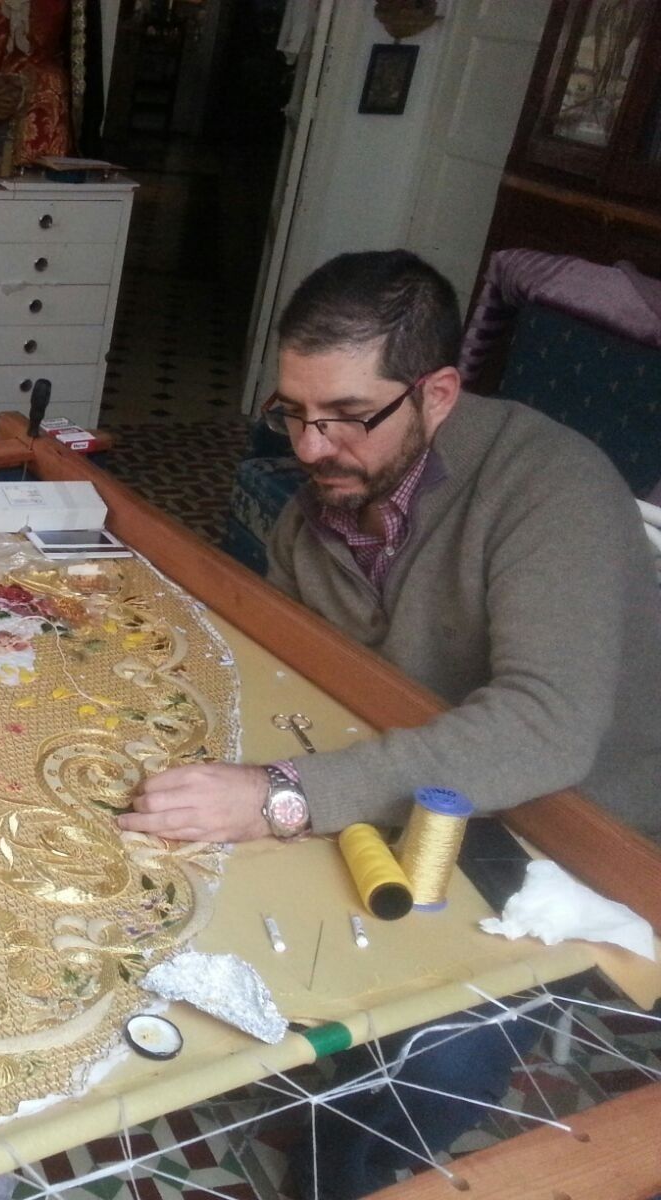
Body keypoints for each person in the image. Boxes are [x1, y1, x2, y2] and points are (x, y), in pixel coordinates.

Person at [116, 250, 661, 1198]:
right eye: (293, 412)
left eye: (347, 417)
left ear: (437, 392)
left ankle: (342, 1170)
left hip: (571, 823)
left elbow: (545, 729)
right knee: (214, 878)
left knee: (438, 1057)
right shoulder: (317, 503)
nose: (312, 447)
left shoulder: (550, 488)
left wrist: (282, 798)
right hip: (417, 774)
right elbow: (302, 672)